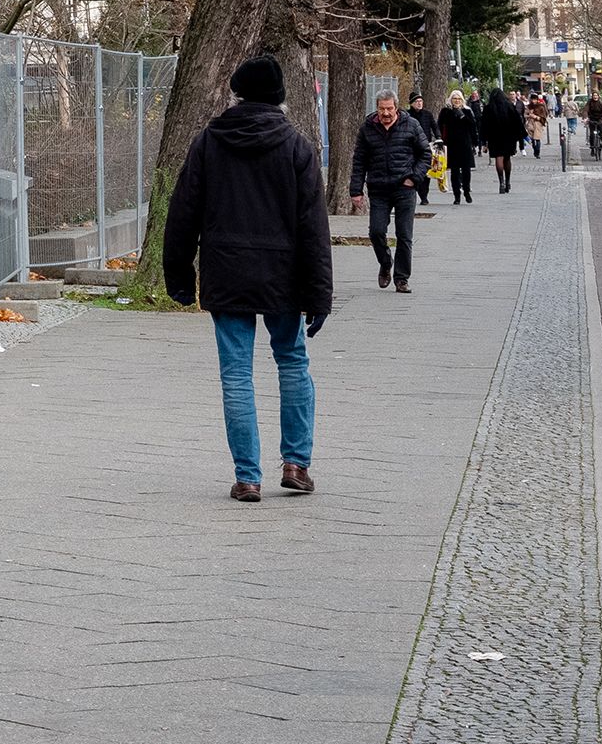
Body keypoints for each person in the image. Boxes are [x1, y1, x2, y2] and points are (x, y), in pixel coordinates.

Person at [162, 53, 336, 502]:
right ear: (279, 98)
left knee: (236, 374)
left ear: (237, 93)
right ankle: (296, 464)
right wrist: (319, 295)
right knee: (293, 361)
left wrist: (179, 275)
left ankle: (248, 476)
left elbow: (182, 213)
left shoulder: (208, 143)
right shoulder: (298, 148)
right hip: (284, 274)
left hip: (227, 271)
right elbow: (314, 228)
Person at [350, 88, 433, 293]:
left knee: (404, 235)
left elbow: (425, 155)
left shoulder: (411, 125)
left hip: (404, 188)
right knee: (376, 231)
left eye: (389, 109)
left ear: (396, 108)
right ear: (376, 109)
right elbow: (359, 160)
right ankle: (386, 263)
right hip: (378, 189)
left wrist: (414, 178)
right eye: (381, 109)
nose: (385, 114)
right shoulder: (367, 128)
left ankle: (402, 278)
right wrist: (356, 190)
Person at [479, 82, 528, 194]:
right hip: (508, 137)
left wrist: (484, 141)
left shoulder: (488, 108)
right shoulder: (509, 106)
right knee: (507, 158)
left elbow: (484, 125)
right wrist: (520, 137)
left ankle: (501, 182)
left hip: (494, 137)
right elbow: (517, 122)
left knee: (498, 158)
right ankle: (508, 181)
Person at [436, 91, 483, 204]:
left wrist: (475, 142)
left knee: (466, 170)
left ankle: (467, 191)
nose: (457, 101)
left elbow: (472, 126)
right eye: (454, 99)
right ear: (450, 100)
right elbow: (439, 125)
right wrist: (439, 139)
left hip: (465, 144)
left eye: (459, 99)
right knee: (455, 171)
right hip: (451, 144)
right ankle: (457, 195)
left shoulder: (466, 111)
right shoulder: (446, 111)